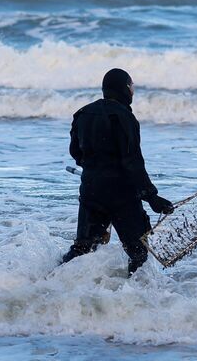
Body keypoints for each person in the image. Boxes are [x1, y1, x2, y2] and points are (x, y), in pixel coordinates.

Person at [62, 68, 174, 275]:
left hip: (91, 191)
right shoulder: (125, 117)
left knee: (82, 249)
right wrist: (152, 197)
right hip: (122, 196)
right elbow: (132, 162)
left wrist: (96, 169)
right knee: (138, 252)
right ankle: (133, 299)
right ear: (123, 89)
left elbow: (76, 153)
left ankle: (49, 282)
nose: (133, 92)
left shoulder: (82, 114)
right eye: (131, 87)